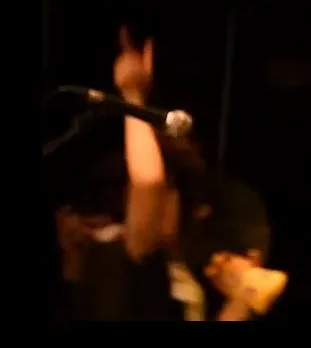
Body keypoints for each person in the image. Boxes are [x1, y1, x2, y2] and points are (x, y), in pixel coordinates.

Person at [53, 26, 277, 321]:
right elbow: (149, 183)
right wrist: (133, 96)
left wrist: (242, 298)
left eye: (169, 194)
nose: (156, 201)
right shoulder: (128, 255)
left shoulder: (180, 272)